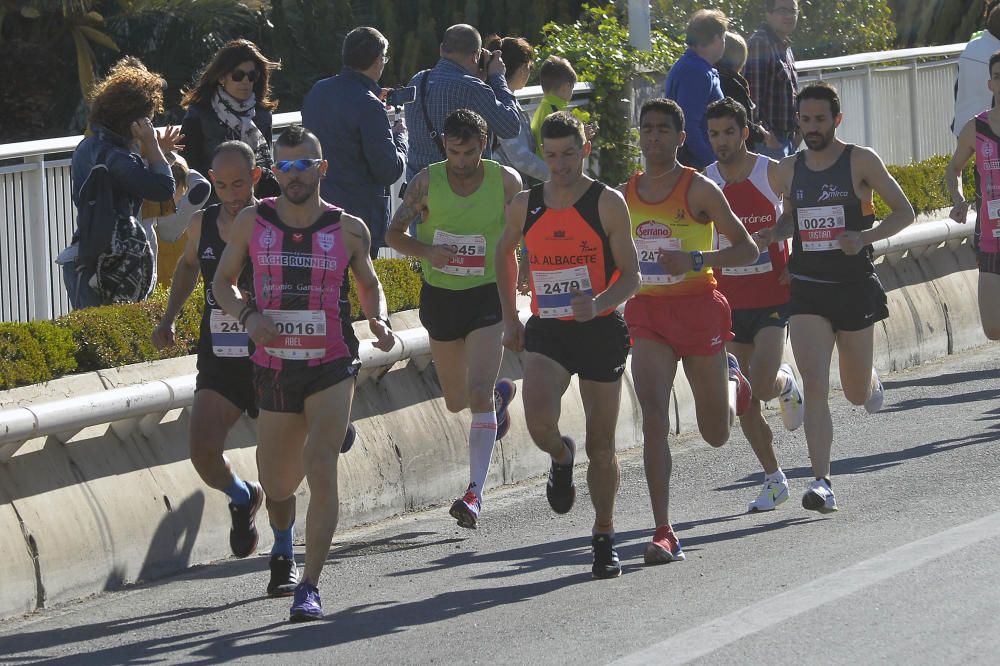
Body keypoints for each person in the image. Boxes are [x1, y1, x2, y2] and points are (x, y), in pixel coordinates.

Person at [212, 125, 395, 621]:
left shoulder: (349, 228)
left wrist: (377, 316)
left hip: (331, 364)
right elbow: (221, 284)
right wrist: (249, 317)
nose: (295, 175)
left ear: (322, 168)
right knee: (277, 485)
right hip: (274, 368)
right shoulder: (253, 221)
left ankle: (309, 586)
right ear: (274, 172)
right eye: (286, 166)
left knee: (321, 464)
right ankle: (285, 541)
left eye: (304, 165)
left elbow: (370, 283)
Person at [756, 82, 914, 513]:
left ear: (837, 119)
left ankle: (869, 381)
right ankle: (822, 482)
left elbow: (905, 212)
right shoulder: (789, 168)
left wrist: (864, 236)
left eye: (820, 120)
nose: (812, 128)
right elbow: (793, 220)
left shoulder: (859, 160)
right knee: (817, 386)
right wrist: (776, 232)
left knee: (855, 391)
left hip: (854, 286)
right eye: (805, 120)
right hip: (807, 287)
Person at [496, 111, 641, 579]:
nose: (560, 165)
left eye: (569, 154)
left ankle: (603, 535)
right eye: (551, 155)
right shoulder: (525, 203)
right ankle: (560, 454)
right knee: (538, 420)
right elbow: (504, 254)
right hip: (549, 328)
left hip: (599, 330)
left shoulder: (607, 202)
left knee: (603, 444)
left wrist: (599, 303)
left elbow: (632, 276)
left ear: (585, 150)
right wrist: (509, 317)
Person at [152, 141, 298, 597]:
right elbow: (189, 268)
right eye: (221, 184)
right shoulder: (202, 223)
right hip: (221, 356)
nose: (231, 192)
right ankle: (241, 496)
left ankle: (284, 553)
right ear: (211, 182)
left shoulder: (276, 221)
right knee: (202, 451)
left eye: (240, 183)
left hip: (272, 356)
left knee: (275, 466)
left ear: (255, 178)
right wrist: (170, 316)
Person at [620, 98, 758, 564]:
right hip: (648, 315)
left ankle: (731, 376)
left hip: (699, 310)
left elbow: (747, 249)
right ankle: (663, 529)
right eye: (647, 128)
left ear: (680, 138)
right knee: (654, 416)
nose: (653, 136)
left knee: (715, 433)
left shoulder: (698, 189)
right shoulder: (624, 194)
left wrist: (696, 260)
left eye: (663, 129)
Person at [386, 109, 523, 528]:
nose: (460, 161)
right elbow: (393, 234)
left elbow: (521, 237)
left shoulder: (506, 181)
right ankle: (495, 403)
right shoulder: (427, 180)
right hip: (442, 298)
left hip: (487, 294)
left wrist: (522, 289)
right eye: (453, 151)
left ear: (485, 144)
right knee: (456, 401)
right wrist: (428, 253)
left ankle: (474, 495)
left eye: (469, 151)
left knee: (477, 392)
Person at [705, 97, 805, 513]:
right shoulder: (706, 182)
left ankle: (784, 381)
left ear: (744, 133)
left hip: (772, 296)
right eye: (713, 134)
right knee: (744, 397)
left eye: (729, 132)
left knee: (761, 386)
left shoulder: (771, 171)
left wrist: (784, 244)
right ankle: (774, 478)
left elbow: (799, 208)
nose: (721, 141)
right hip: (729, 302)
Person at [59, 56, 178, 309]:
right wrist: (153, 145)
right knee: (119, 341)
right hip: (110, 265)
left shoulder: (87, 146)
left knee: (91, 339)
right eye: (147, 117)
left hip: (82, 257)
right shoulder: (117, 157)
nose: (149, 123)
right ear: (133, 119)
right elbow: (163, 189)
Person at [303, 26, 407, 257]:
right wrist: (400, 137)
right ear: (378, 59)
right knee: (360, 289)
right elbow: (388, 170)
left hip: (318, 209)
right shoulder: (369, 105)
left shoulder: (319, 91)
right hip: (359, 218)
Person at [404, 24, 521, 183]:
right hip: (461, 194)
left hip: (419, 190)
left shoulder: (417, 80)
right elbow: (511, 127)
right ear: (476, 56)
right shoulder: (473, 89)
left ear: (441, 49)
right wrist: (497, 77)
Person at [180, 39, 281, 199]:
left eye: (251, 75)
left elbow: (266, 166)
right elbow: (189, 168)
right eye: (238, 75)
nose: (245, 81)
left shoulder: (262, 115)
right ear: (221, 77)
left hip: (256, 205)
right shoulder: (199, 114)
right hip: (214, 205)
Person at [947, 49, 1000, 341]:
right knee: (993, 328)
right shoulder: (976, 128)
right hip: (992, 239)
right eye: (998, 77)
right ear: (990, 84)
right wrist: (958, 199)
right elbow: (953, 169)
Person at [664, 9, 728, 170]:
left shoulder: (695, 67)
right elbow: (689, 126)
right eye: (724, 37)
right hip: (697, 167)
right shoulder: (695, 72)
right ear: (716, 38)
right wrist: (713, 165)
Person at [487, 35, 549, 186]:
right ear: (523, 68)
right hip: (503, 192)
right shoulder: (503, 103)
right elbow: (520, 157)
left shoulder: (493, 97)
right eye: (530, 66)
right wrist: (561, 177)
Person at [745, 0, 801, 159]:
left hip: (787, 140)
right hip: (767, 144)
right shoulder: (760, 43)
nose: (789, 16)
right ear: (768, 13)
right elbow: (751, 100)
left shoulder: (785, 46)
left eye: (793, 11)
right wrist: (767, 137)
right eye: (783, 10)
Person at [529, 56, 595, 158]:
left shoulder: (545, 108)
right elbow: (563, 150)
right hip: (553, 170)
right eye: (572, 87)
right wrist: (582, 137)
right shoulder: (555, 114)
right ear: (566, 87)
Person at [954, 2, 1000, 136]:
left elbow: (957, 89)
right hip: (990, 133)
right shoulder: (996, 56)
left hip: (964, 128)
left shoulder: (971, 47)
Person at [717, 32, 768, 151]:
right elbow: (740, 119)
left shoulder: (715, 79)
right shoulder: (733, 85)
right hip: (739, 150)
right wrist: (761, 134)